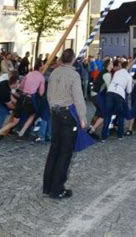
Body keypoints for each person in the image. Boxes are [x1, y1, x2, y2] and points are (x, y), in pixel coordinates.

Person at [43, 48, 88, 199]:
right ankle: (57, 188)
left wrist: (52, 109)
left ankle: (47, 186)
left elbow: (49, 94)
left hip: (55, 113)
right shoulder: (73, 75)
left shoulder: (55, 72)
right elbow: (78, 97)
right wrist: (82, 117)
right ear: (73, 59)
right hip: (67, 114)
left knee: (54, 149)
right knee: (65, 152)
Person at [101, 59, 133, 142]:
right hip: (120, 94)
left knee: (107, 115)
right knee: (120, 115)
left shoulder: (117, 72)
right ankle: (120, 135)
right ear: (127, 68)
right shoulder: (128, 76)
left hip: (110, 92)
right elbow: (129, 91)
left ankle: (104, 137)